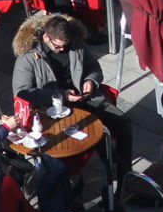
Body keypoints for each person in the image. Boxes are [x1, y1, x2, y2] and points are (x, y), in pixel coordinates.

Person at [12, 13, 135, 174]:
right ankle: (111, 167)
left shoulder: (76, 44)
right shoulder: (28, 56)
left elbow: (94, 68)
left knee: (123, 123)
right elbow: (22, 92)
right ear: (46, 38)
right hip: (53, 108)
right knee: (90, 134)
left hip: (86, 98)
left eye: (65, 45)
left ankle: (123, 172)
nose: (62, 49)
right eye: (58, 46)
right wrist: (61, 95)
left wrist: (91, 81)